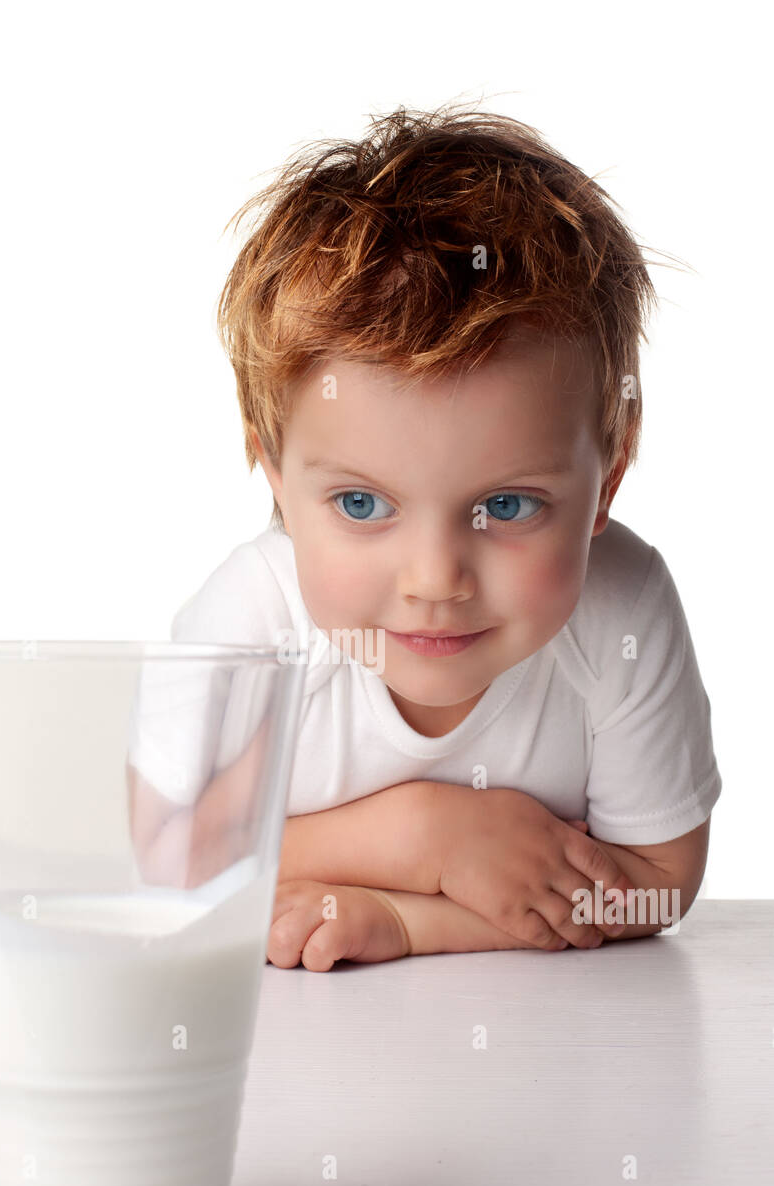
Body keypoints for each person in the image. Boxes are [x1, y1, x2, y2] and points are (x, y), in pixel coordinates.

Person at [127, 102, 721, 971]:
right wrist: (420, 838)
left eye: (509, 507)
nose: (435, 578)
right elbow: (160, 858)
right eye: (363, 506)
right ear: (274, 478)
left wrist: (412, 923)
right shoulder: (253, 620)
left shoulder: (620, 607)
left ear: (609, 481)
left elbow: (659, 882)